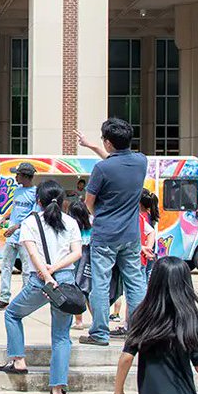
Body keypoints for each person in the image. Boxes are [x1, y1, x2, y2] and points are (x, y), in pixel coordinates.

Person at [109, 257, 198, 394]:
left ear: (154, 282)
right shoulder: (190, 319)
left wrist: (118, 390)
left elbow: (126, 358)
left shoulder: (141, 316)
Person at [0, 182, 81, 394]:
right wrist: (55, 269)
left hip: (40, 281)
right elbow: (77, 253)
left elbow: (33, 255)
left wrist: (47, 274)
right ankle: (57, 387)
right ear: (61, 201)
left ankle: (18, 360)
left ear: (38, 201)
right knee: (61, 335)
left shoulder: (30, 222)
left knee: (12, 314)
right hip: (65, 282)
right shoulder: (70, 222)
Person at [76, 119, 148, 346]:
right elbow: (116, 162)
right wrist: (91, 146)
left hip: (105, 235)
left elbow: (88, 202)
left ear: (108, 142)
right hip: (131, 236)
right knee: (135, 283)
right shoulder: (141, 161)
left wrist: (99, 215)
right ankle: (137, 331)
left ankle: (99, 333)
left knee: (100, 283)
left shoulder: (102, 169)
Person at [0, 162, 38, 310]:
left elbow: (33, 215)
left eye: (17, 175)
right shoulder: (18, 190)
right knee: (6, 266)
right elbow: (15, 208)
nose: (15, 177)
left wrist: (16, 227)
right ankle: (4, 298)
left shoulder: (35, 193)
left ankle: (25, 298)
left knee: (26, 269)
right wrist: (5, 217)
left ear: (25, 176)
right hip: (11, 236)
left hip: (25, 237)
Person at [67, 199, 93, 330]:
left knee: (77, 292)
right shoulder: (92, 224)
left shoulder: (71, 227)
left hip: (76, 265)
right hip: (90, 264)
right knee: (90, 293)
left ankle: (79, 321)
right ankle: (96, 320)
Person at [139, 189, 160, 281]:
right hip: (148, 248)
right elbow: (151, 232)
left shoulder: (141, 216)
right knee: (147, 273)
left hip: (142, 251)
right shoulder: (148, 214)